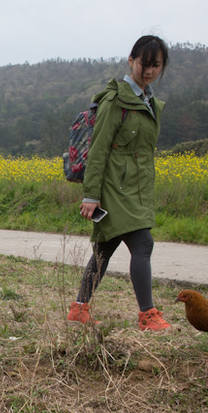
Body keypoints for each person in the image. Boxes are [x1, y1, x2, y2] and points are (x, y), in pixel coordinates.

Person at [68, 35, 172, 332]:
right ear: (131, 60)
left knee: (105, 248)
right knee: (143, 243)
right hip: (114, 187)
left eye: (156, 65)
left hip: (135, 188)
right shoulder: (117, 100)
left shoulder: (148, 101)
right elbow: (99, 149)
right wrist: (90, 195)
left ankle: (79, 307)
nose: (149, 71)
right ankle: (148, 314)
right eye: (144, 63)